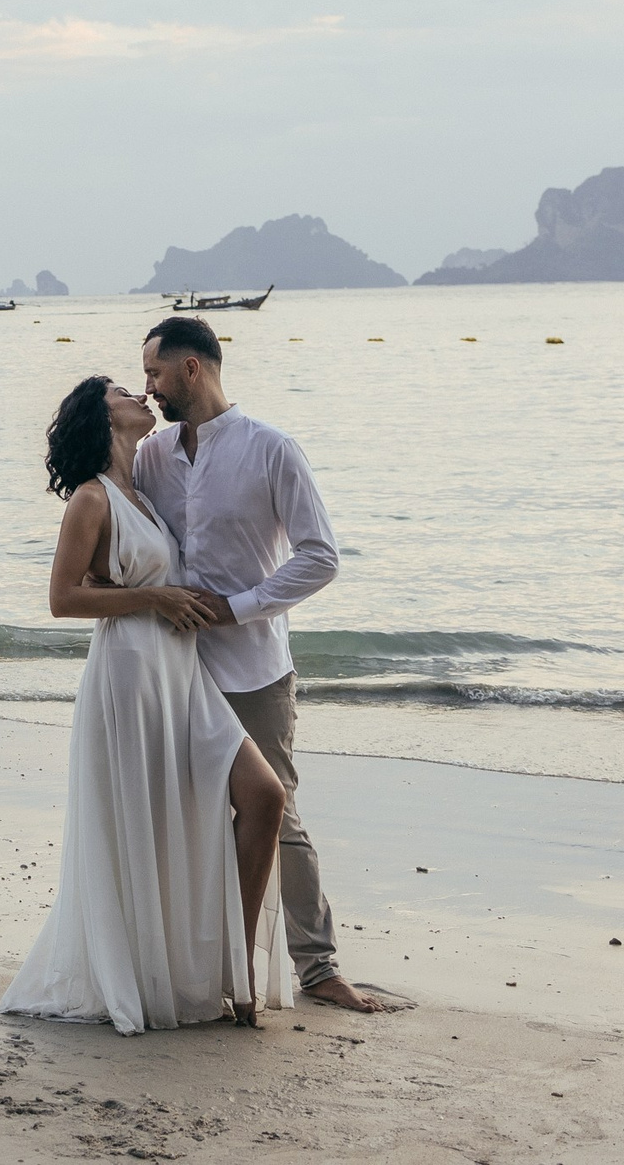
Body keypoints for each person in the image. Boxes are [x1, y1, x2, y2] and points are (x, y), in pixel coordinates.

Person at [0, 375, 288, 1034]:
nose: (142, 394)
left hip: (180, 674)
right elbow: (63, 598)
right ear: (103, 417)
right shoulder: (92, 501)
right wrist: (154, 597)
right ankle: (203, 984)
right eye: (126, 390)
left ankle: (231, 970)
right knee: (148, 820)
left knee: (262, 795)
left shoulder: (146, 495)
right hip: (130, 673)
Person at [135, 314, 401, 1014]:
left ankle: (318, 967)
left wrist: (239, 604)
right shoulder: (154, 456)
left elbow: (321, 556)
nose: (149, 387)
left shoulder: (273, 450)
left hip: (254, 670)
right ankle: (200, 962)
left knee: (278, 814)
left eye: (156, 373)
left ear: (193, 368)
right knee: (184, 816)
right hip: (177, 670)